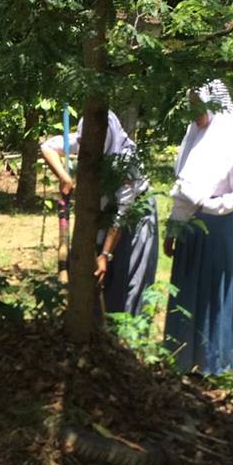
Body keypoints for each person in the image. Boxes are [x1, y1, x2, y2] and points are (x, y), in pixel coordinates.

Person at [163, 80, 233, 375]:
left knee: (213, 294)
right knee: (187, 290)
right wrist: (173, 228)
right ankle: (183, 357)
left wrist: (209, 205)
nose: (194, 113)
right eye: (191, 106)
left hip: (216, 231)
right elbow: (183, 188)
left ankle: (213, 362)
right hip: (189, 231)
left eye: (199, 106)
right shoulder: (193, 139)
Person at [40, 110, 159, 316]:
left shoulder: (126, 161)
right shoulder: (87, 142)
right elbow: (48, 147)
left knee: (130, 278)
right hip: (105, 214)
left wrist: (105, 254)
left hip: (135, 216)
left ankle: (129, 328)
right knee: (102, 275)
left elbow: (121, 214)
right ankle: (101, 322)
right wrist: (64, 177)